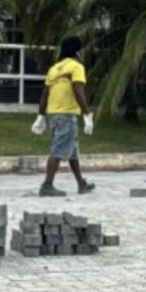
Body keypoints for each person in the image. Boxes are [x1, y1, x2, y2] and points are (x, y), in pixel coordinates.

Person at [31, 35, 96, 197]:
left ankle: (81, 183)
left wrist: (40, 115)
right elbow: (78, 91)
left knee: (72, 150)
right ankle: (47, 185)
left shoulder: (54, 68)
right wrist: (86, 113)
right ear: (78, 51)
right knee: (59, 149)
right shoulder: (76, 67)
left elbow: (45, 93)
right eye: (82, 50)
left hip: (53, 114)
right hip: (67, 113)